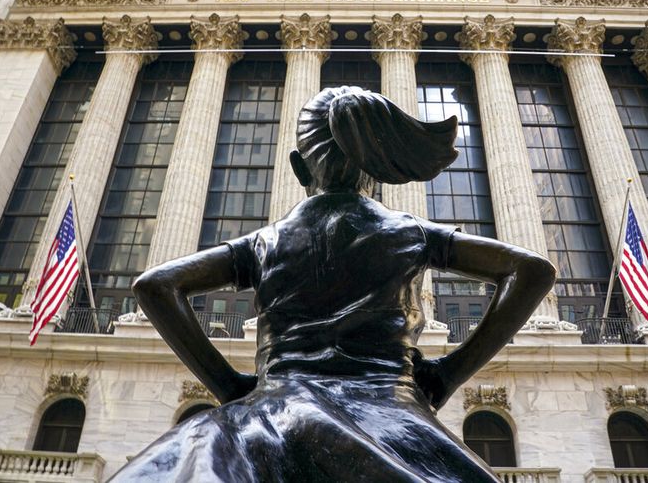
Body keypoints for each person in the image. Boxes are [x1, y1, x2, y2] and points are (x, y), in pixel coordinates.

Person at [112, 87, 556, 481]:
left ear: (299, 168)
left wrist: (229, 386)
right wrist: (448, 373)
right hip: (389, 414)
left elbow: (156, 285)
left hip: (275, 412)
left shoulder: (264, 242)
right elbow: (532, 270)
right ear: (376, 169)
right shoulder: (413, 233)